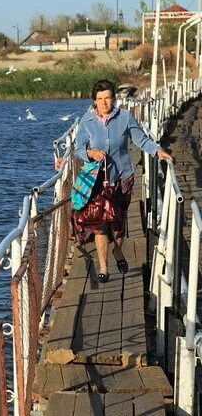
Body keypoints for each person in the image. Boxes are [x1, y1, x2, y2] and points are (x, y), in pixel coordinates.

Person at [72, 79, 173, 282]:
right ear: (94, 101)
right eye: (100, 99)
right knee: (100, 224)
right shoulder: (87, 121)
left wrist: (158, 151)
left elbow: (141, 140)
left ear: (114, 99)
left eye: (107, 98)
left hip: (122, 178)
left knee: (118, 224)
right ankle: (103, 268)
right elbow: (78, 149)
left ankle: (117, 251)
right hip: (97, 180)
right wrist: (90, 153)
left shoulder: (125, 117)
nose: (104, 102)